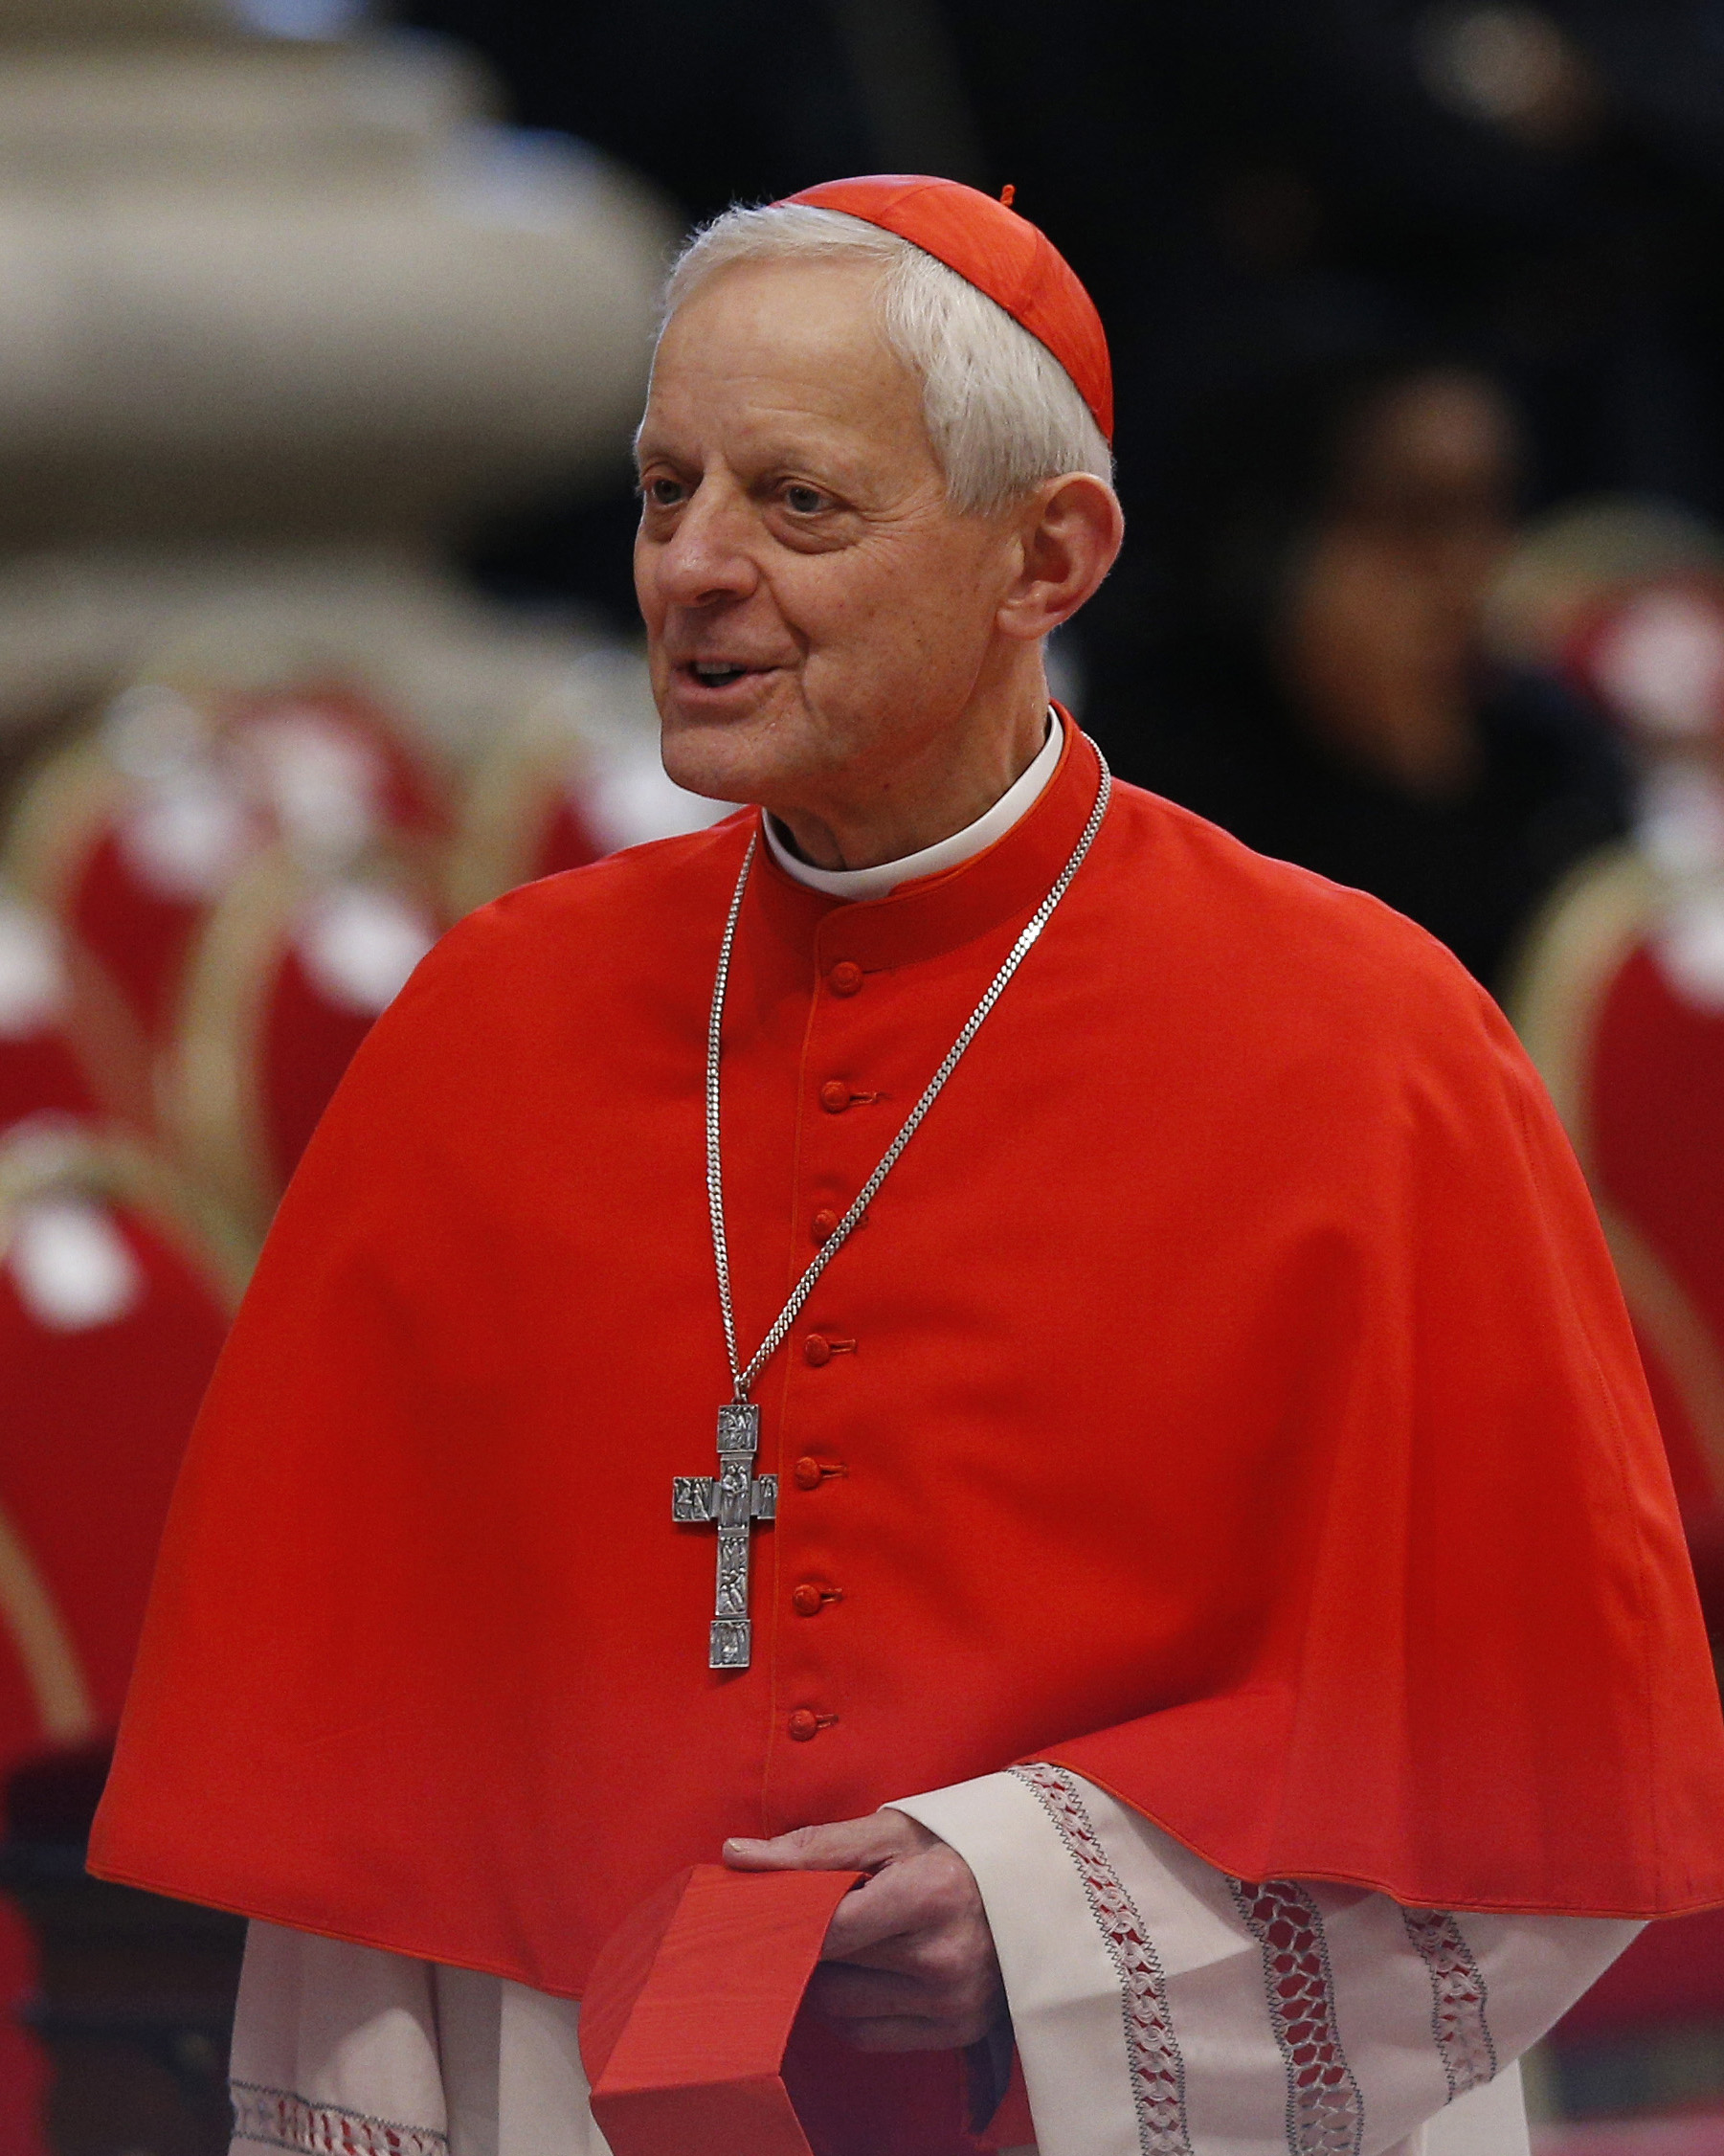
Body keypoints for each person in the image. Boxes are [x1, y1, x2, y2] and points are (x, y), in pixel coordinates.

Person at [89, 176, 1724, 2156]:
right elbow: (368, 1786)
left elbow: (1504, 1738)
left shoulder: (1365, 1042)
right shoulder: (485, 1029)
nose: (691, 567)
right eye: (662, 486)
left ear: (1049, 555)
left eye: (797, 505)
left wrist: (1035, 1893)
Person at [1086, 353, 1630, 992]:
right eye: (1414, 519)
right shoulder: (1145, 786)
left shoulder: (1546, 759)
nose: (1470, 569)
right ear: (1276, 547)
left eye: (1492, 510)